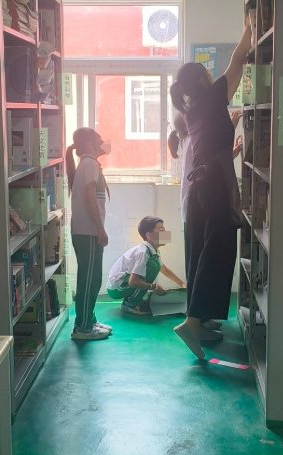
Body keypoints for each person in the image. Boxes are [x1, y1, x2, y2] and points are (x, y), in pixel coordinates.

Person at [169, 20, 252, 359]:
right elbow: (238, 60)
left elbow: (210, 142)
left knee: (201, 250)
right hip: (213, 186)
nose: (212, 74)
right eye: (207, 71)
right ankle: (192, 322)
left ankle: (200, 320)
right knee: (217, 250)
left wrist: (228, 131)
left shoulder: (193, 109)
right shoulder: (212, 97)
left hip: (198, 188)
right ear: (202, 80)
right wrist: (248, 28)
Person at [168, 111, 243, 332]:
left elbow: (213, 160)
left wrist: (233, 149)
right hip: (199, 211)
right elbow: (210, 160)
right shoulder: (194, 141)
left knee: (197, 263)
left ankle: (201, 318)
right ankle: (198, 319)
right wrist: (230, 126)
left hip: (194, 210)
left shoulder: (190, 140)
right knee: (200, 264)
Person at [65, 128, 113, 340]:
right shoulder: (89, 164)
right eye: (98, 138)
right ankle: (82, 327)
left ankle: (89, 320)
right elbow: (89, 198)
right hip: (88, 232)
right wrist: (100, 229)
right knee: (89, 279)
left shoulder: (88, 163)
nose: (103, 141)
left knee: (93, 278)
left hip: (86, 232)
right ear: (88, 142)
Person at [106, 216, 186, 315]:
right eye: (161, 230)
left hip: (123, 284)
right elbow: (133, 282)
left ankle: (136, 299)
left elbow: (164, 269)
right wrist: (154, 287)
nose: (166, 234)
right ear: (149, 235)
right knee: (153, 266)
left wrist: (182, 283)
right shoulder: (143, 252)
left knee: (155, 265)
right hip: (116, 288)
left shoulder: (153, 251)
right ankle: (130, 304)